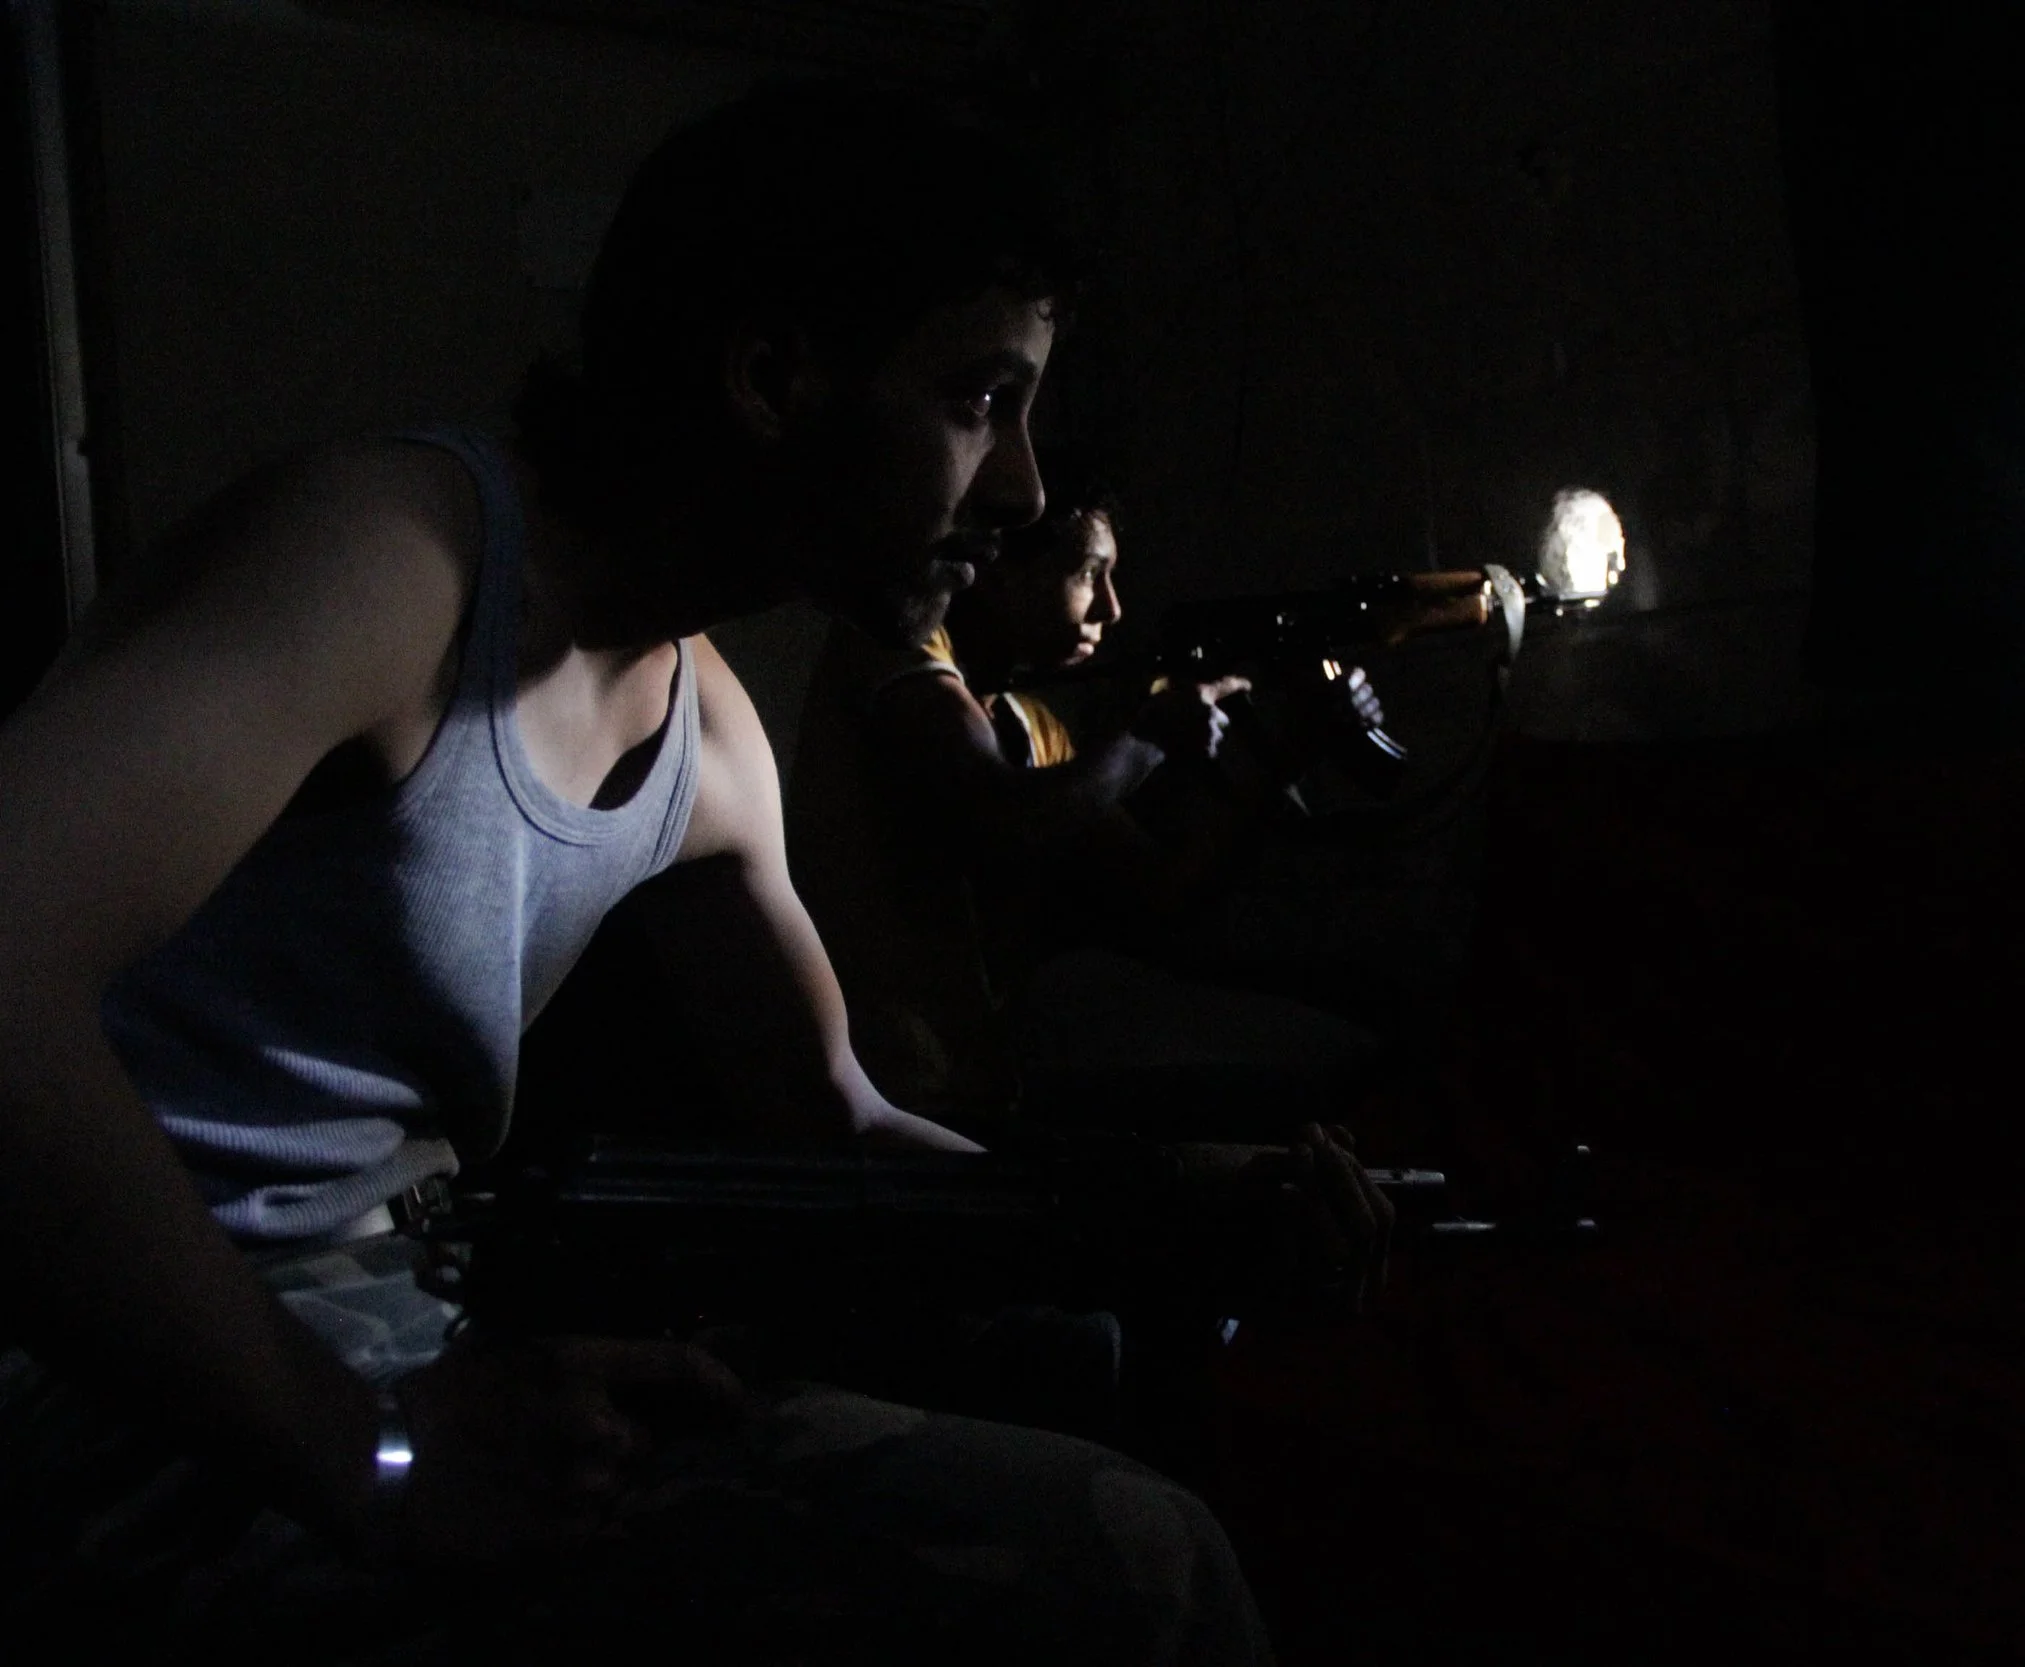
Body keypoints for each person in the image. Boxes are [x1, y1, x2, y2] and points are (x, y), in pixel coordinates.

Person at [0, 82, 1380, 1662]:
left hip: (391, 1323)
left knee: (1081, 1377)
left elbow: (838, 1119)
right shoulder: (394, 565)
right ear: (777, 379)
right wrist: (371, 1452)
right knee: (1132, 1566)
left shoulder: (703, 724)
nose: (1021, 489)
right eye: (980, 399)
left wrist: (1156, 1213)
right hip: (103, 1364)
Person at [786, 449, 1388, 1134]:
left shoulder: (1032, 730)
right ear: (1003, 572)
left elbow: (1157, 891)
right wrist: (1151, 738)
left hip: (970, 1093)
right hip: (864, 1097)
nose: (1112, 606)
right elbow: (1007, 817)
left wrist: (1281, 758)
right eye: (1089, 573)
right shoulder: (892, 649)